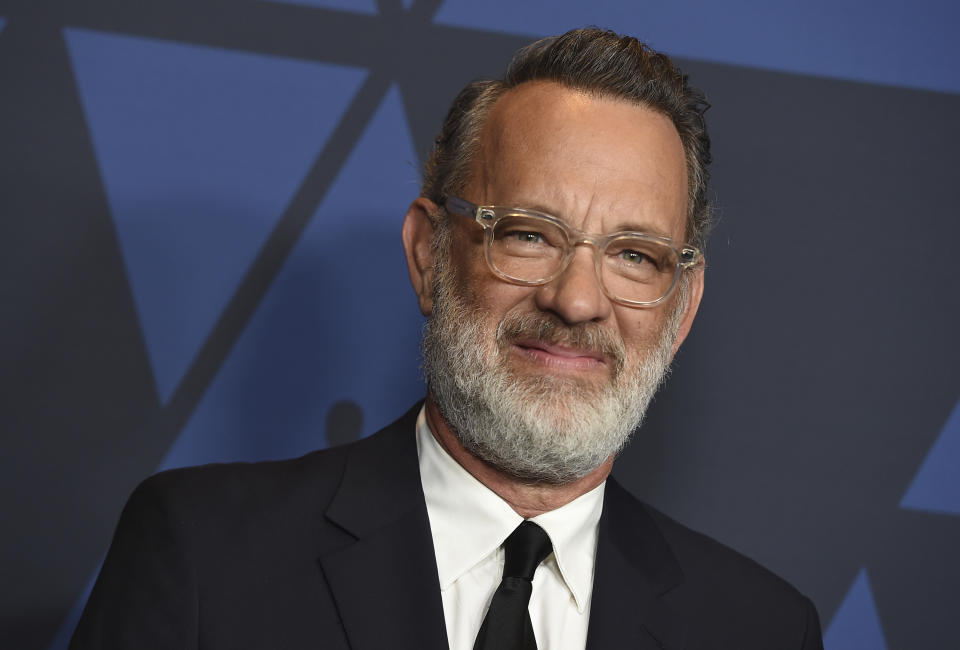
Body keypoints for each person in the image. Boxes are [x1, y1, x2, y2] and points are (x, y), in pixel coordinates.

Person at [71, 28, 823, 650]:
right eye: (529, 234)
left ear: (681, 304)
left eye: (635, 255)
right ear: (430, 255)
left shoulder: (761, 629)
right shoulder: (206, 557)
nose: (578, 300)